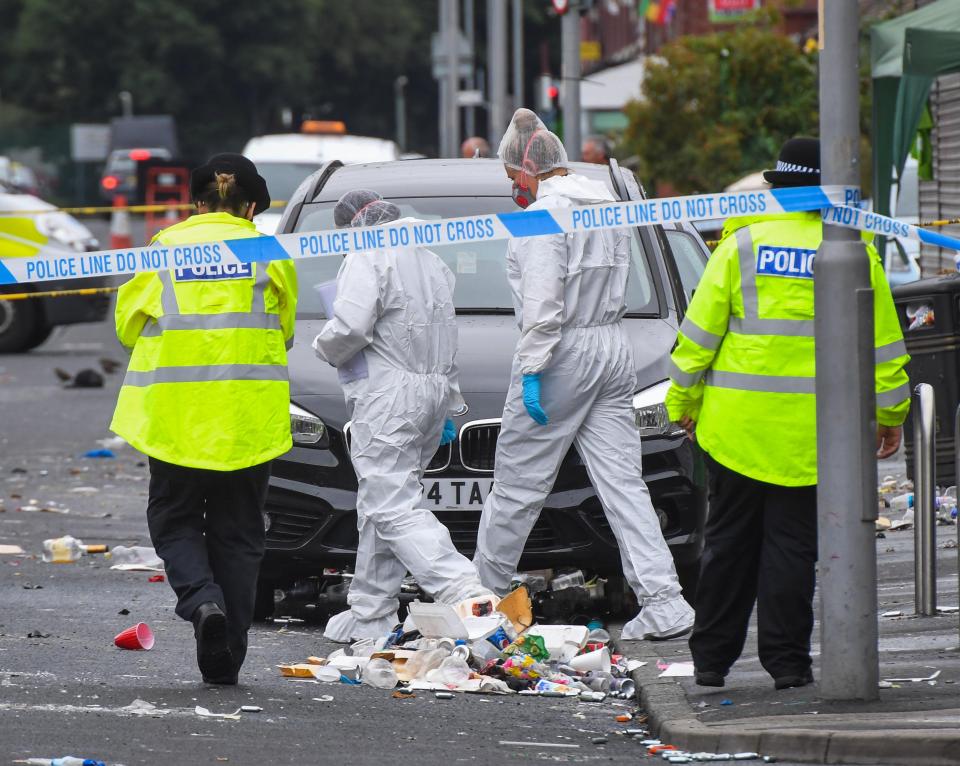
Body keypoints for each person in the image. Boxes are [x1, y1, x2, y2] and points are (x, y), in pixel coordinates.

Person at [666, 137, 911, 690]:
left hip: (736, 431)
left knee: (727, 545)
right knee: (792, 552)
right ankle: (788, 665)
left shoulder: (742, 245)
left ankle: (710, 663)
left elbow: (697, 337)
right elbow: (885, 348)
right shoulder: (855, 251)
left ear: (778, 188)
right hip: (813, 439)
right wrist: (891, 414)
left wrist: (682, 402)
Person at [473, 108, 695, 640]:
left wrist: (532, 369)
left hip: (562, 353)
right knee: (623, 484)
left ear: (527, 168)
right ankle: (665, 602)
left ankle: (479, 602)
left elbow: (544, 302)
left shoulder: (543, 216)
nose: (511, 187)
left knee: (516, 485)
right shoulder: (604, 204)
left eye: (511, 176)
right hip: (610, 345)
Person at [110, 154, 297, 684]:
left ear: (194, 203)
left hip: (176, 420)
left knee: (174, 521)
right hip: (247, 419)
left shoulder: (165, 247)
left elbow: (127, 327)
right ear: (253, 205)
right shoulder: (268, 251)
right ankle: (226, 657)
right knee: (239, 536)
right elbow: (284, 330)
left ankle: (201, 603)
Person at [314, 193, 493, 642]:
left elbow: (351, 327)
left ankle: (464, 590)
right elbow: (447, 333)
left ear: (351, 227)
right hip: (428, 391)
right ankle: (370, 611)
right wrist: (449, 399)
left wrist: (324, 347)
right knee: (380, 503)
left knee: (391, 504)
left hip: (390, 395)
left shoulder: (367, 253)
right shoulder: (429, 258)